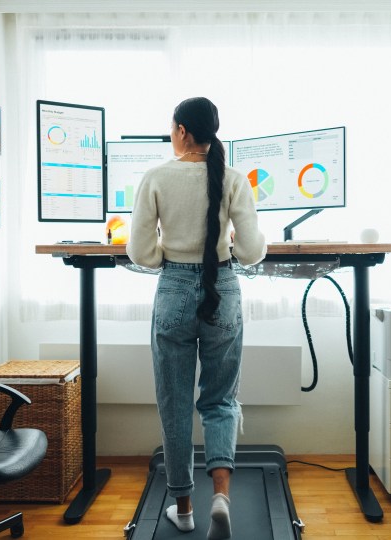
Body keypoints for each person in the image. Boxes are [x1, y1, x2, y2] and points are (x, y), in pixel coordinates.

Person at [127, 97, 266, 539]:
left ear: (183, 131)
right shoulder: (233, 179)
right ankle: (221, 498)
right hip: (221, 288)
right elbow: (250, 252)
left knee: (175, 403)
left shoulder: (155, 177)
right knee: (221, 399)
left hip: (173, 292)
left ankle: (184, 509)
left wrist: (171, 251)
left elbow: (142, 254)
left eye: (171, 127)